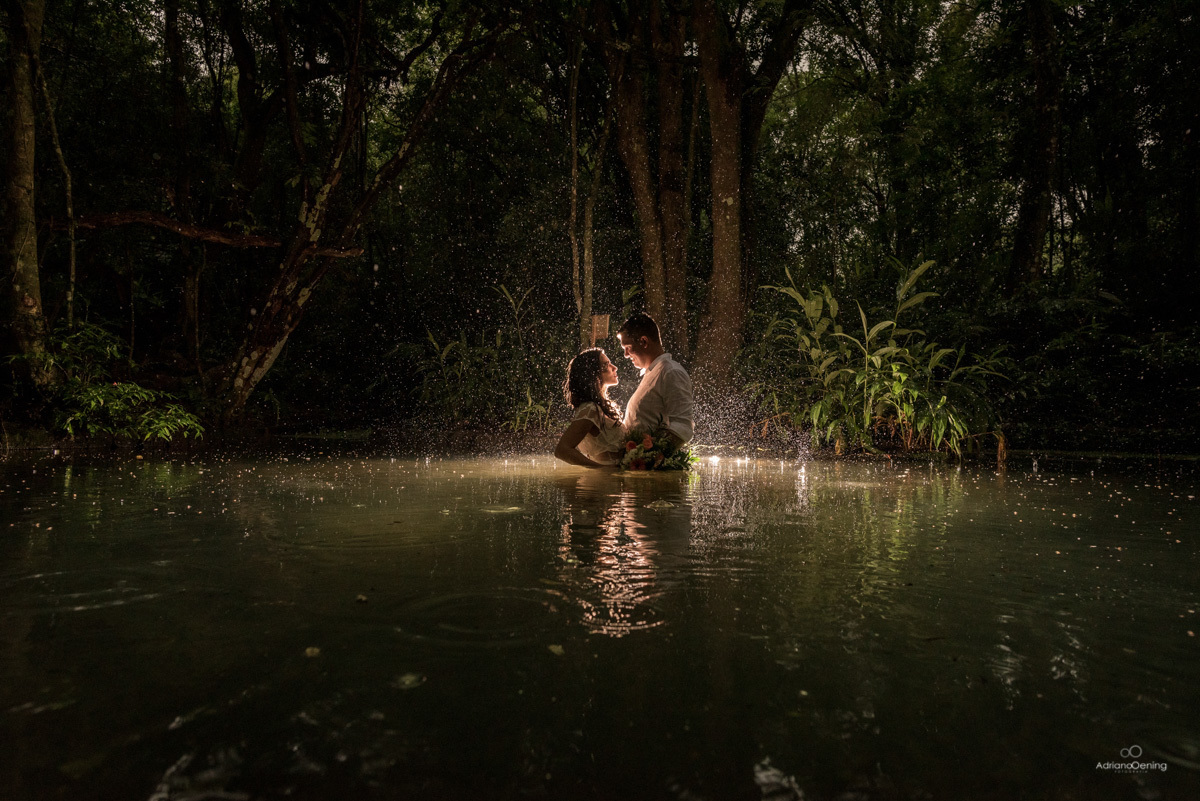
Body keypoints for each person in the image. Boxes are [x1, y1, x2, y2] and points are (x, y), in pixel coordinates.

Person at [618, 312, 694, 447]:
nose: (625, 355)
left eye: (628, 348)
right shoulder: (653, 372)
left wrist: (652, 457)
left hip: (652, 465)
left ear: (644, 342)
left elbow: (683, 427)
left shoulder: (671, 372)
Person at [554, 348, 627, 468]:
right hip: (604, 481)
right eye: (606, 365)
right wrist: (601, 469)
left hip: (614, 479)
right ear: (593, 374)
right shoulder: (590, 409)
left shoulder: (599, 407)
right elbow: (562, 450)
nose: (615, 367)